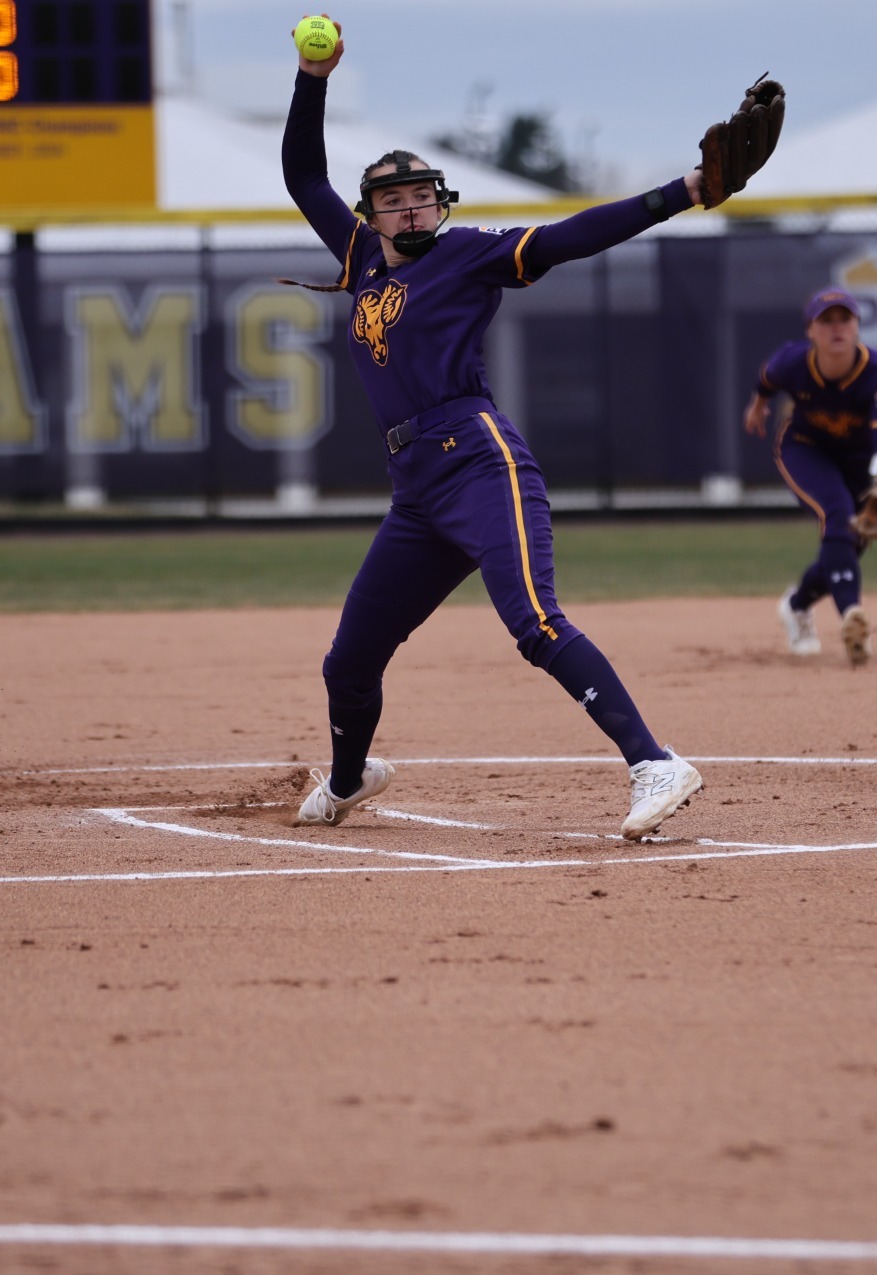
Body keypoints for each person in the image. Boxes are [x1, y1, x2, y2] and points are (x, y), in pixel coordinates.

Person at [280, 17, 705, 840]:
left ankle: (654, 760)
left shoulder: (468, 253)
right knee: (349, 660)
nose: (410, 208)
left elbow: (573, 235)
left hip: (479, 462)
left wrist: (680, 192)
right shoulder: (361, 258)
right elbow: (303, 174)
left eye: (421, 196)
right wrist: (311, 78)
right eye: (392, 200)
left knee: (535, 622)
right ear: (371, 214)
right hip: (416, 491)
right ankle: (349, 778)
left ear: (441, 203)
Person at [744, 288, 877, 666]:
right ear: (810, 331)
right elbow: (766, 378)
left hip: (858, 461)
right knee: (837, 511)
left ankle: (797, 605)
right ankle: (852, 615)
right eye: (826, 321)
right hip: (804, 448)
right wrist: (757, 406)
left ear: (857, 326)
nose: (836, 328)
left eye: (844, 319)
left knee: (851, 541)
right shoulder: (794, 362)